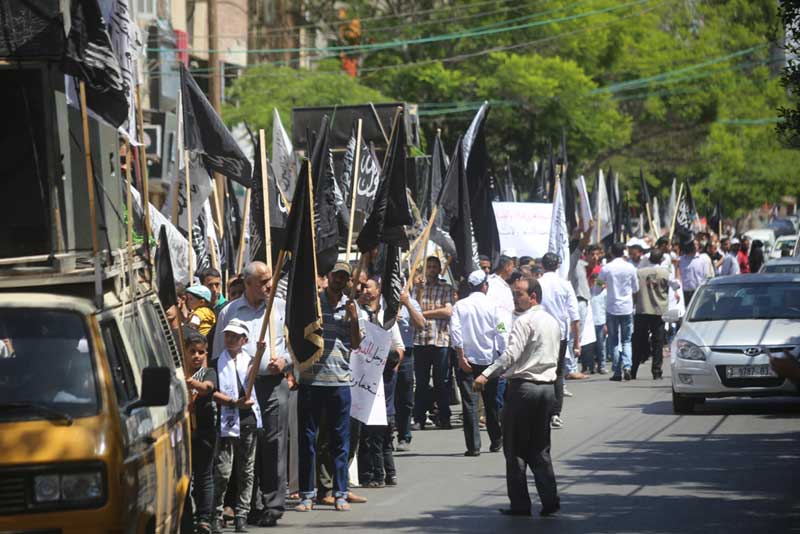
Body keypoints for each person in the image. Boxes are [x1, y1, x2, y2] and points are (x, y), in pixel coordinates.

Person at [474, 277, 561, 518]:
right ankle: (550, 500)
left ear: (533, 296)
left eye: (519, 294)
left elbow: (510, 355)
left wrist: (485, 375)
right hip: (546, 389)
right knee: (540, 448)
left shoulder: (525, 321)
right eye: (514, 294)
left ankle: (521, 505)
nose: (515, 298)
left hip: (524, 389)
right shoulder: (553, 321)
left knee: (514, 450)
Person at [296, 262, 363, 512]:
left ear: (347, 281)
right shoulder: (313, 304)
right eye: (336, 275)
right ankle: (306, 495)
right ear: (329, 277)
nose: (339, 280)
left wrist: (354, 318)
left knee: (339, 440)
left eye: (344, 277)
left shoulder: (351, 306)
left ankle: (340, 492)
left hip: (339, 381)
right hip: (311, 380)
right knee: (308, 439)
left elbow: (356, 344)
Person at [451, 270, 508, 456]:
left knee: (470, 404)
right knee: (491, 402)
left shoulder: (460, 306)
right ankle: (496, 439)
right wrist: (502, 353)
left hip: (467, 360)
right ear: (485, 286)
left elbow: (455, 333)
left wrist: (460, 357)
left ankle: (473, 446)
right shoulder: (493, 307)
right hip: (489, 360)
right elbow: (501, 329)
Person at [212, 319, 262, 534]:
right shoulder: (214, 363)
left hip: (247, 421)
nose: (230, 339)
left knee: (246, 470)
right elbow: (204, 386)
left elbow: (252, 379)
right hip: (224, 422)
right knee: (223, 471)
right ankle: (215, 513)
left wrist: (259, 356)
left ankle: (242, 514)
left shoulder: (250, 361)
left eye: (235, 336)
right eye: (228, 335)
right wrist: (232, 402)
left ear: (244, 340)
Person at [357, 278, 405, 487]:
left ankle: (382, 474)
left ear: (377, 291)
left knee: (380, 436)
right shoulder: (357, 315)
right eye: (362, 288)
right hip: (363, 381)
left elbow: (399, 349)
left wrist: (389, 365)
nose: (365, 291)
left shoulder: (387, 319)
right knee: (367, 434)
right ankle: (368, 474)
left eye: (368, 287)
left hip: (383, 381)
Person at [537, 252, 580, 429]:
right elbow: (574, 316)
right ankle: (555, 412)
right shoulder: (565, 285)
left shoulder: (537, 283)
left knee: (540, 371)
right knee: (557, 373)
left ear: (543, 265)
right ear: (558, 265)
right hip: (560, 334)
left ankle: (542, 411)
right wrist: (577, 342)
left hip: (539, 333)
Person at [413, 256, 455, 430]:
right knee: (421, 382)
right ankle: (419, 418)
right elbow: (411, 309)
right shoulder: (417, 289)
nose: (431, 269)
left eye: (434, 266)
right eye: (428, 266)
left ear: (439, 269)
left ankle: (444, 417)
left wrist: (424, 313)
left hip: (440, 340)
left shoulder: (446, 288)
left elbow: (448, 311)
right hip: (420, 340)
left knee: (441, 381)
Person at [182, 332, 217, 534]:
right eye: (192, 352)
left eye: (201, 352)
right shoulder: (178, 373)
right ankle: (186, 516)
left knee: (204, 475)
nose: (196, 356)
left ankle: (204, 518)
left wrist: (193, 384)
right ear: (185, 353)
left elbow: (208, 388)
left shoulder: (207, 373)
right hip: (185, 432)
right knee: (185, 476)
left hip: (204, 431)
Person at [632, 249, 677, 380]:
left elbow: (634, 289)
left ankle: (633, 369)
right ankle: (656, 371)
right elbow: (676, 286)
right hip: (658, 311)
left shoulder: (639, 272)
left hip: (642, 310)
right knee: (658, 343)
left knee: (639, 341)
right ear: (661, 260)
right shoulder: (665, 273)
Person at [599, 243, 639, 382]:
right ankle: (627, 367)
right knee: (627, 340)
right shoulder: (630, 267)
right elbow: (635, 288)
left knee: (614, 341)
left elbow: (598, 285)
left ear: (611, 252)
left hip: (612, 307)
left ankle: (617, 371)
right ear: (623, 252)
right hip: (627, 307)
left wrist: (602, 287)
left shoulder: (607, 268)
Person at [395, 288, 426, 452]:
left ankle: (404, 435)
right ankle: (387, 434)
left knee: (405, 398)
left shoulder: (411, 302)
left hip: (406, 353)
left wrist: (407, 304)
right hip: (387, 351)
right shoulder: (381, 302)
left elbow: (421, 324)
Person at [587, 245, 608, 374]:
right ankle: (589, 365)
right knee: (589, 344)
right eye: (592, 254)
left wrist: (597, 281)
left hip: (599, 312)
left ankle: (602, 364)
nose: (595, 257)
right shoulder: (583, 268)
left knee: (601, 343)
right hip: (588, 310)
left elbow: (604, 285)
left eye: (597, 254)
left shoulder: (602, 269)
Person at [678, 240, 713, 305]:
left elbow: (709, 277)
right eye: (692, 244)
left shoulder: (703, 258)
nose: (693, 246)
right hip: (685, 294)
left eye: (696, 244)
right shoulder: (681, 260)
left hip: (699, 293)